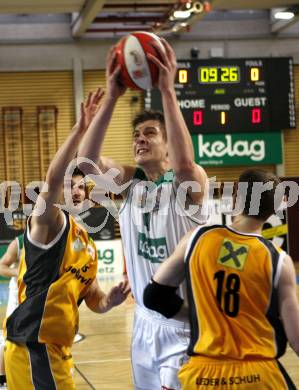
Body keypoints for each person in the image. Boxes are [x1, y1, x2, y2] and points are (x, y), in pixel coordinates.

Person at [143, 169, 299, 389]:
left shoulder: (196, 239)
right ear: (274, 209)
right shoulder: (278, 260)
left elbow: (154, 296)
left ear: (235, 199)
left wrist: (202, 316)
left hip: (203, 376)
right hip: (257, 376)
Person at [78, 38, 208, 389]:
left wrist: (167, 92)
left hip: (183, 320)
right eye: (136, 134)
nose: (140, 139)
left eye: (150, 133)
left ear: (168, 144)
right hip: (143, 322)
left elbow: (184, 164)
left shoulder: (189, 183)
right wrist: (112, 97)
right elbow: (87, 164)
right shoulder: (129, 183)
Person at [4, 89, 130, 390]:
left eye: (81, 187)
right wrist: (79, 129)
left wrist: (109, 302)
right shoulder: (47, 224)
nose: (76, 191)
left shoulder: (86, 243)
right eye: (69, 186)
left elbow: (93, 299)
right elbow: (52, 180)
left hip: (57, 351)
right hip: (33, 345)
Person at [0, 235, 23, 389]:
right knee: (8, 339)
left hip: (39, 294)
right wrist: (18, 272)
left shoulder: (53, 240)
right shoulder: (19, 243)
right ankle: (2, 381)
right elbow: (1, 267)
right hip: (18, 295)